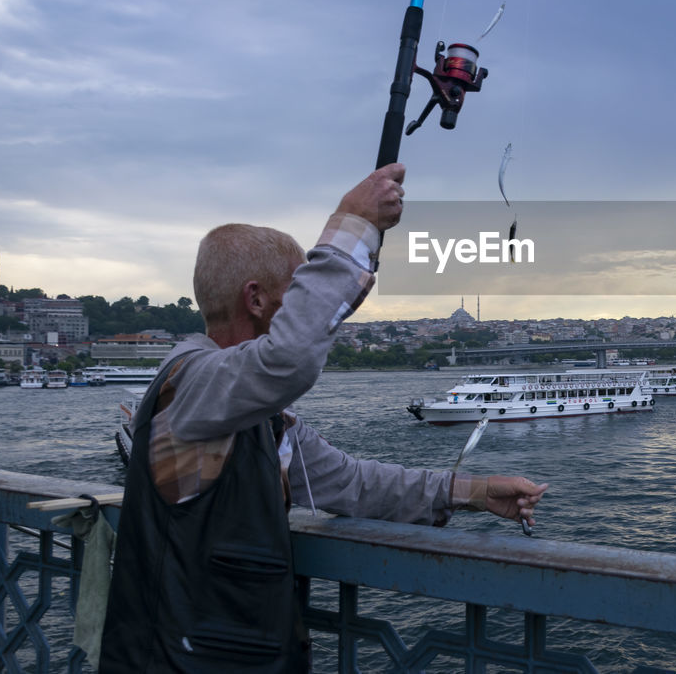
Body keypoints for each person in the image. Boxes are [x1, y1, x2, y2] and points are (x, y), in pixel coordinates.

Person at [100, 163, 547, 673]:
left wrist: (472, 492)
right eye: (296, 292)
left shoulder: (258, 417)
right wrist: (353, 222)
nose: (302, 307)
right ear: (257, 298)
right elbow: (288, 359)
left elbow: (351, 484)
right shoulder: (191, 386)